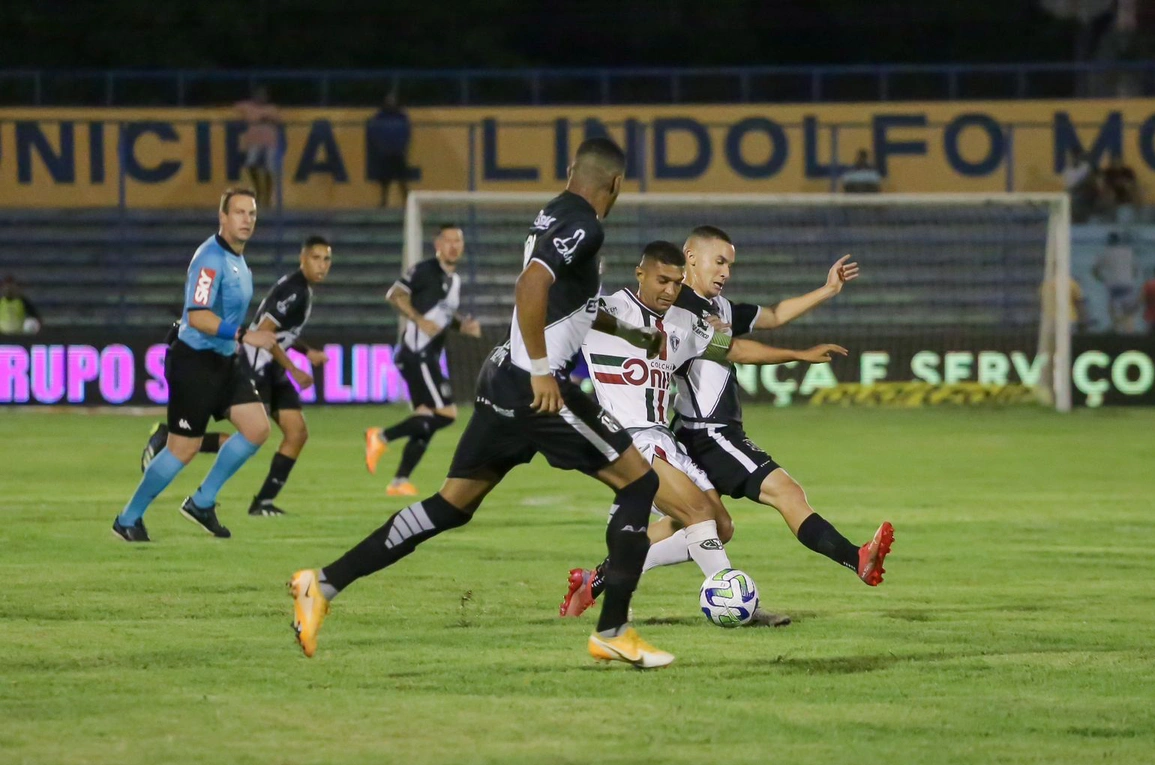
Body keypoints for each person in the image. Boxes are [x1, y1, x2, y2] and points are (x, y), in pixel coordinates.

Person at [289, 139, 677, 669]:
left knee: (451, 506)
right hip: (536, 388)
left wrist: (633, 334)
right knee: (640, 482)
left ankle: (323, 584)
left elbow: (570, 301)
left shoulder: (553, 215)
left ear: (570, 172)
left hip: (503, 378)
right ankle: (613, 629)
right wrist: (543, 371)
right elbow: (531, 285)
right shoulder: (586, 224)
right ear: (616, 184)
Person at [561, 241, 848, 625]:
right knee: (697, 514)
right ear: (640, 273)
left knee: (721, 526)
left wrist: (797, 354)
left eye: (677, 283)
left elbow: (736, 350)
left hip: (662, 437)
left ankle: (601, 578)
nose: (669, 290)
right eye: (662, 280)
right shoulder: (610, 311)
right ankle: (739, 607)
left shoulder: (683, 324)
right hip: (625, 438)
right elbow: (559, 308)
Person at [659, 227, 892, 586]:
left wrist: (827, 290)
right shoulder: (681, 309)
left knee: (693, 524)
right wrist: (798, 354)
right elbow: (735, 350)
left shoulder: (716, 307)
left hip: (701, 431)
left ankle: (596, 579)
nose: (726, 272)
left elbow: (773, 315)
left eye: (730, 264)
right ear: (690, 257)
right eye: (719, 262)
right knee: (785, 493)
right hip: (708, 433)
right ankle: (856, 558)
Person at [112, 187, 277, 543]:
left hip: (222, 361)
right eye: (239, 213)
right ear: (223, 217)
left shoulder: (238, 260)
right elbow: (198, 316)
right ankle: (128, 518)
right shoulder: (210, 258)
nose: (247, 220)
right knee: (183, 449)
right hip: (194, 362)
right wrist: (246, 335)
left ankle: (202, 502)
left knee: (257, 429)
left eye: (252, 213)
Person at [142, 236, 333, 515]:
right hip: (257, 365)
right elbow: (266, 331)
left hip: (273, 367)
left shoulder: (302, 289)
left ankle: (262, 503)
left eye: (327, 259)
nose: (322, 265)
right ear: (302, 259)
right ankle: (167, 438)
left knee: (297, 432)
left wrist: (306, 353)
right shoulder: (295, 290)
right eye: (316, 258)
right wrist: (294, 369)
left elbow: (280, 333)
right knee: (252, 434)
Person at [365, 224, 481, 496]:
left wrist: (462, 325)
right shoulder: (425, 270)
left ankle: (399, 481)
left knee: (426, 418)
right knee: (447, 413)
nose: (453, 246)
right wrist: (418, 320)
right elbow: (394, 294)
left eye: (458, 241)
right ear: (437, 244)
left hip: (426, 354)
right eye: (448, 240)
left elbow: (442, 315)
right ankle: (380, 436)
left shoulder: (455, 280)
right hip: (417, 353)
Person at [235, 87, 282, 208]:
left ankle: (267, 195)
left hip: (270, 143)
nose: (261, 98)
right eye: (259, 95)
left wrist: (267, 119)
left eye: (263, 96)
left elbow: (279, 121)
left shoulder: (272, 109)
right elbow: (235, 107)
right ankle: (259, 190)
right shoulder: (248, 107)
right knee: (251, 165)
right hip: (254, 142)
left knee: (269, 169)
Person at [367, 93, 412, 208]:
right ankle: (384, 201)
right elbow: (374, 133)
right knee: (384, 180)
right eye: (389, 101)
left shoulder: (401, 117)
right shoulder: (380, 117)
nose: (391, 104)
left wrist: (402, 147)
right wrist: (380, 146)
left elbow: (406, 133)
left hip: (397, 152)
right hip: (385, 152)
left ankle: (407, 202)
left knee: (402, 179)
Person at [1093, 232, 1138, 333]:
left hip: (1113, 285)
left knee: (1113, 310)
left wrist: (1102, 279)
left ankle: (1116, 328)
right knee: (1128, 311)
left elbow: (1095, 271)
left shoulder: (1105, 252)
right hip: (1127, 284)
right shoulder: (1128, 251)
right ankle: (1129, 331)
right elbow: (1135, 270)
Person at [1101, 153, 1139, 223]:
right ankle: (1109, 211)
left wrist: (1124, 184)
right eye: (1115, 161)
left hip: (1125, 193)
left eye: (1118, 161)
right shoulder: (1109, 172)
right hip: (1113, 192)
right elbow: (1105, 185)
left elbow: (1133, 184)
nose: (1116, 163)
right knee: (1110, 193)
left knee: (1131, 189)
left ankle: (1135, 209)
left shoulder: (1127, 171)